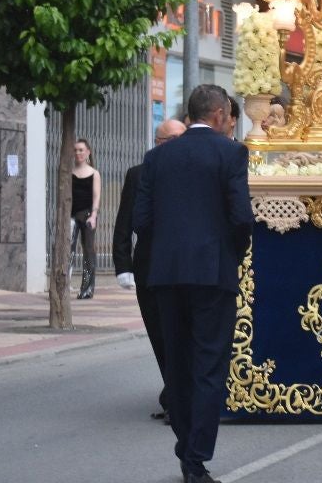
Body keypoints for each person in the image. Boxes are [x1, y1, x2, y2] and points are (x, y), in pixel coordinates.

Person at [134, 85, 255, 483]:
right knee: (208, 365)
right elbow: (241, 218)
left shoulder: (157, 158)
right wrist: (229, 257)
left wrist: (165, 258)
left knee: (179, 362)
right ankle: (195, 457)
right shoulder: (231, 153)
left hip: (167, 275)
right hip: (212, 273)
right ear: (220, 114)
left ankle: (186, 443)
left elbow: (142, 221)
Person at [114, 118, 187, 424]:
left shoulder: (194, 175)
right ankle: (173, 393)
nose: (173, 146)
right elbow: (124, 222)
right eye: (167, 140)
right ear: (157, 143)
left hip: (185, 269)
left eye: (178, 139)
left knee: (181, 335)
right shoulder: (138, 174)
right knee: (159, 334)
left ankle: (178, 399)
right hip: (149, 268)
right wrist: (123, 266)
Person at [69, 138, 101, 300]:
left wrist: (94, 215)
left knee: (88, 251)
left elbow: (96, 197)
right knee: (67, 250)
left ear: (88, 152)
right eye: (75, 150)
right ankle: (64, 285)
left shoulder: (94, 173)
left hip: (88, 215)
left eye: (81, 150)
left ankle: (87, 288)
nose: (78, 153)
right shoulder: (69, 173)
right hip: (71, 215)